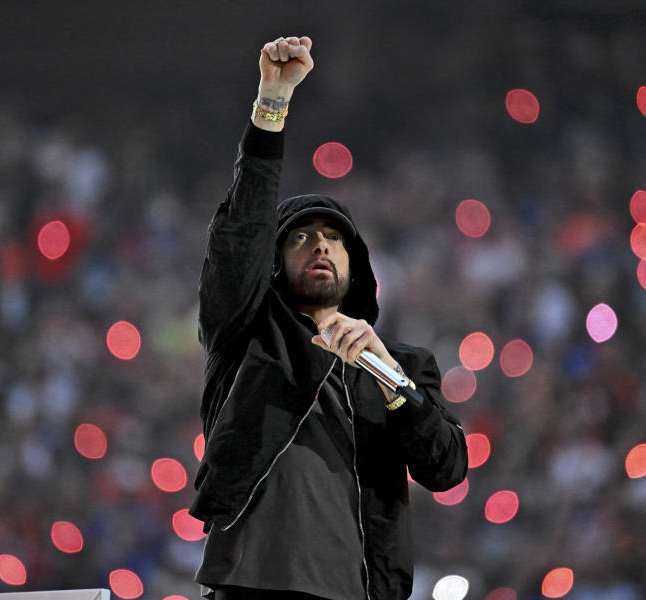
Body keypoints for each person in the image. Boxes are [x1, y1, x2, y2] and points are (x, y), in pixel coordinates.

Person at [190, 35, 469, 600]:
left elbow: (447, 467)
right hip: (249, 585)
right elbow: (240, 236)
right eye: (300, 237)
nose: (319, 243)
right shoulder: (245, 335)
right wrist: (272, 102)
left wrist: (386, 373)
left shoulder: (404, 366)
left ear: (355, 265)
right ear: (274, 263)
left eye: (334, 238)